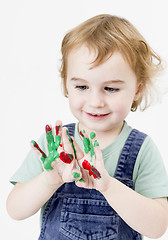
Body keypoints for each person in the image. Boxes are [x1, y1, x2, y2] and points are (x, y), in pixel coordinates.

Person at [7, 14, 168, 240]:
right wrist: (48, 180)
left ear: (137, 90)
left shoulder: (142, 149)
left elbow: (157, 227)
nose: (95, 102)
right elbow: (15, 210)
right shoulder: (54, 146)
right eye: (82, 86)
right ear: (66, 84)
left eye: (111, 89)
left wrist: (109, 186)